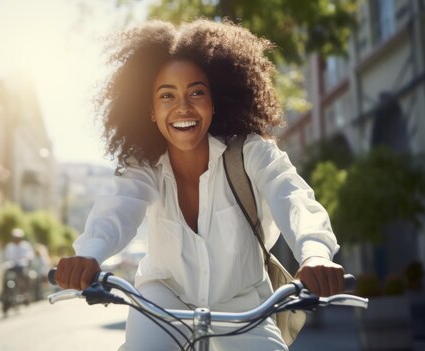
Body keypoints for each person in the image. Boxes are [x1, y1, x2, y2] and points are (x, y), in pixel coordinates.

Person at [55, 19, 345, 350]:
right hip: (162, 299)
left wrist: (315, 253)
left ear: (214, 101)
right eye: (167, 95)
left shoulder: (250, 150)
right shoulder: (145, 166)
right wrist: (89, 254)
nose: (183, 107)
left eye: (197, 92)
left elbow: (292, 195)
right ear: (149, 110)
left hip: (244, 304)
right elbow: (119, 208)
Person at [3, 228, 35, 301]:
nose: (16, 239)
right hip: (12, 266)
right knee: (6, 277)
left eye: (17, 238)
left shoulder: (25, 246)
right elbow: (6, 257)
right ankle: (5, 293)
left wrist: (26, 259)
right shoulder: (9, 246)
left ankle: (24, 291)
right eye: (14, 237)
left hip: (21, 266)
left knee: (24, 276)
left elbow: (29, 255)